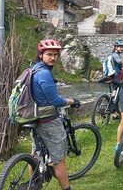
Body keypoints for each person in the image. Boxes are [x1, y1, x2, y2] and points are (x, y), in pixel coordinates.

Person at [31, 39, 81, 190]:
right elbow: (56, 101)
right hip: (48, 121)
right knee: (59, 160)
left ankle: (33, 185)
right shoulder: (44, 74)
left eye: (55, 55)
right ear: (41, 55)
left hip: (34, 117)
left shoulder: (33, 69)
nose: (52, 58)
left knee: (34, 156)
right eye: (49, 54)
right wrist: (72, 101)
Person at [108, 39, 123, 119]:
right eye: (120, 47)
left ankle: (114, 112)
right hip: (116, 77)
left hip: (113, 77)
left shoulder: (114, 55)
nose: (121, 49)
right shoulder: (115, 55)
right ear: (116, 47)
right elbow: (121, 63)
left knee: (114, 94)